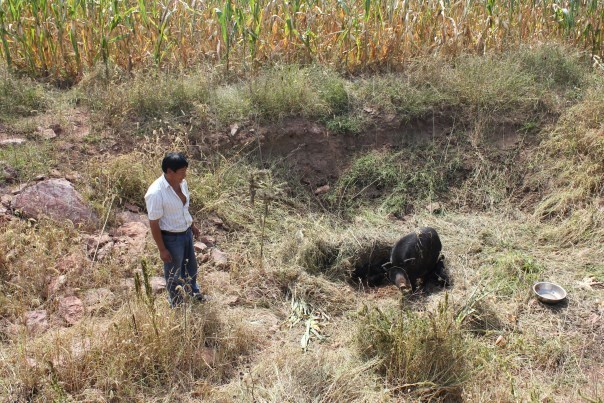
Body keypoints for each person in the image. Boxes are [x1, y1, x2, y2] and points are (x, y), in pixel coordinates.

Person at [144, 152, 205, 306]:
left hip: (185, 234)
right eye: (182, 172)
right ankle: (176, 303)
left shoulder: (181, 183)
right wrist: (162, 249)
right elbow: (154, 223)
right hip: (171, 238)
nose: (184, 175)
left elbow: (183, 209)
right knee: (173, 273)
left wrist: (192, 225)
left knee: (190, 266)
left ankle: (194, 293)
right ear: (170, 171)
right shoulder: (156, 193)